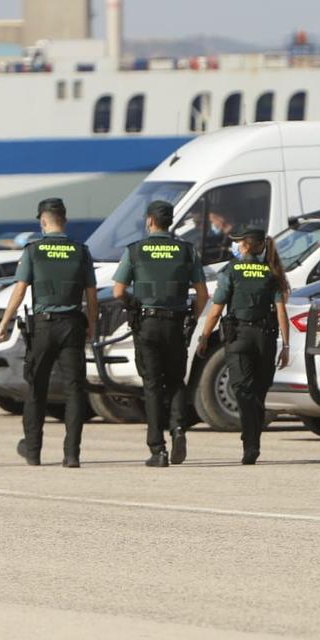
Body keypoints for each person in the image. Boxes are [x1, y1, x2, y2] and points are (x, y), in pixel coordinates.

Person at [0, 198, 97, 467]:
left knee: (37, 387)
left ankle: (33, 450)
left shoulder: (33, 250)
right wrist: (93, 325)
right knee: (75, 390)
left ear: (43, 220)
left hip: (43, 326)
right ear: (64, 219)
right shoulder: (80, 250)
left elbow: (20, 290)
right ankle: (72, 454)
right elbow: (91, 294)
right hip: (73, 324)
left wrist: (4, 322)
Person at [112, 200, 209, 467]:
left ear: (149, 221)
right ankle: (179, 429)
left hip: (147, 324)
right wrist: (192, 319)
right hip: (176, 324)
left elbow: (118, 291)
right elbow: (203, 294)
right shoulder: (186, 251)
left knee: (153, 386)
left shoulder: (135, 250)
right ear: (170, 221)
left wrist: (135, 306)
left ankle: (158, 450)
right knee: (176, 381)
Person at [196, 227, 291, 464]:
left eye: (239, 243)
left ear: (247, 246)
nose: (236, 247)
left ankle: (250, 442)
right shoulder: (272, 271)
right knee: (258, 392)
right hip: (265, 339)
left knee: (243, 390)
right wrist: (286, 346)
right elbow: (281, 312)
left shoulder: (231, 270)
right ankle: (252, 441)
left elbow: (216, 310)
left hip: (239, 336)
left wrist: (204, 336)